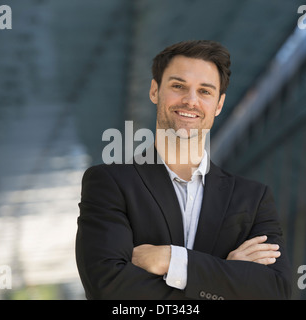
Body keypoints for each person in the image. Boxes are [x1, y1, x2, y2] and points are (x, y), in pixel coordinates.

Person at [75, 40, 292, 300]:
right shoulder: (110, 183)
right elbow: (109, 290)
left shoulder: (253, 199)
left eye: (205, 91)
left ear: (219, 104)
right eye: (178, 86)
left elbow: (275, 291)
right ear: (155, 91)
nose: (190, 101)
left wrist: (174, 260)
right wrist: (229, 273)